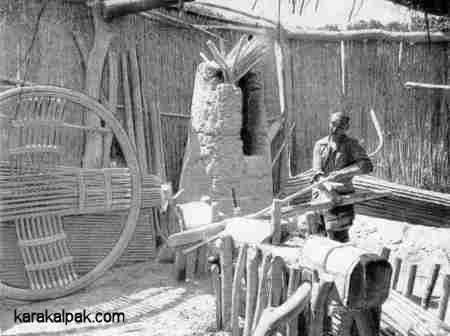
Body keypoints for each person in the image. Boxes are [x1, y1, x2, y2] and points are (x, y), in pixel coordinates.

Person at [305, 112, 373, 243]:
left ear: (346, 128)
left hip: (342, 196)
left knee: (338, 240)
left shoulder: (351, 145)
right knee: (318, 240)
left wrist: (343, 173)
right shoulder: (320, 145)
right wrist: (328, 190)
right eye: (333, 124)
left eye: (340, 127)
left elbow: (367, 166)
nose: (335, 129)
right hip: (321, 195)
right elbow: (316, 174)